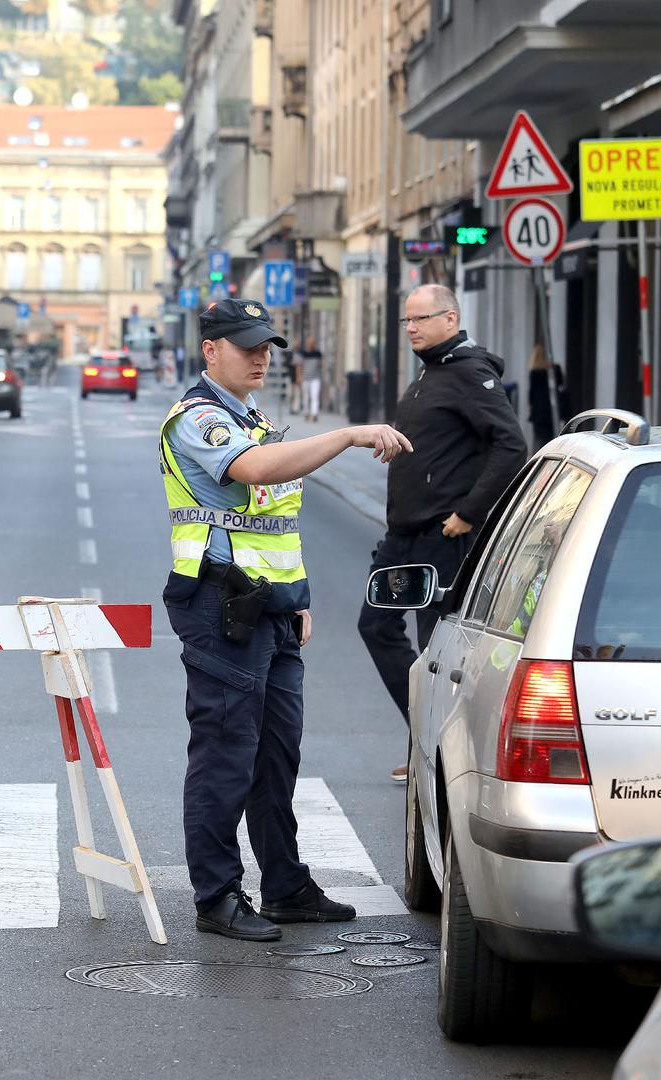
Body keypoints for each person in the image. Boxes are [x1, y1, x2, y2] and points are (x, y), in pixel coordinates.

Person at [162, 299, 415, 941]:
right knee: (227, 754)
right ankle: (216, 896)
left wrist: (297, 597)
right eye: (246, 345)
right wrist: (349, 434)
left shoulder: (256, 420)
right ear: (210, 348)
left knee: (276, 756)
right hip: (221, 611)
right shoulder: (198, 421)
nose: (261, 356)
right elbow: (254, 473)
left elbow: (276, 521)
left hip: (269, 611)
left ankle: (284, 885)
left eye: (266, 345)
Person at [358, 284, 527, 783]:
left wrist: (470, 514)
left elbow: (511, 447)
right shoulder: (433, 372)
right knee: (377, 626)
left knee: (435, 648)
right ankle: (425, 735)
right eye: (406, 321)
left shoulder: (470, 373)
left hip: (442, 537)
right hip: (403, 536)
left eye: (421, 319)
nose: (411, 328)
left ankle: (437, 755)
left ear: (450, 319)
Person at [300, 337, 323, 422]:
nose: (310, 345)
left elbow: (320, 365)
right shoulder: (303, 354)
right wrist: (299, 376)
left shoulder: (318, 354)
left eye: (312, 343)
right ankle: (306, 412)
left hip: (315, 378)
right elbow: (300, 365)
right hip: (305, 378)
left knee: (314, 396)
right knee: (306, 397)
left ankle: (314, 414)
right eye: (309, 343)